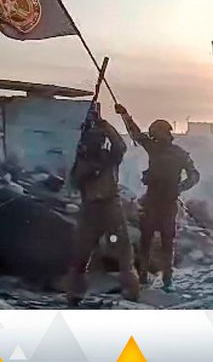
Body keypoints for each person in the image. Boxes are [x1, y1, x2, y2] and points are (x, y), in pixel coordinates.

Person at [115, 104, 200, 291]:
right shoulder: (156, 148)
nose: (154, 137)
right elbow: (136, 134)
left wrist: (179, 188)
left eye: (156, 134)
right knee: (149, 241)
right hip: (153, 201)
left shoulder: (177, 153)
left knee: (166, 243)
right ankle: (146, 277)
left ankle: (166, 279)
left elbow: (194, 175)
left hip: (166, 203)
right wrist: (125, 115)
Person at [66, 107, 140, 305]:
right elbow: (74, 182)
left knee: (124, 254)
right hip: (90, 210)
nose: (96, 142)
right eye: (93, 139)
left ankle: (131, 291)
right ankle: (75, 294)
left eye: (99, 139)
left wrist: (105, 126)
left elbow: (120, 146)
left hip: (110, 207)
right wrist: (87, 168)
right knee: (81, 256)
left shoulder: (109, 157)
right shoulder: (82, 161)